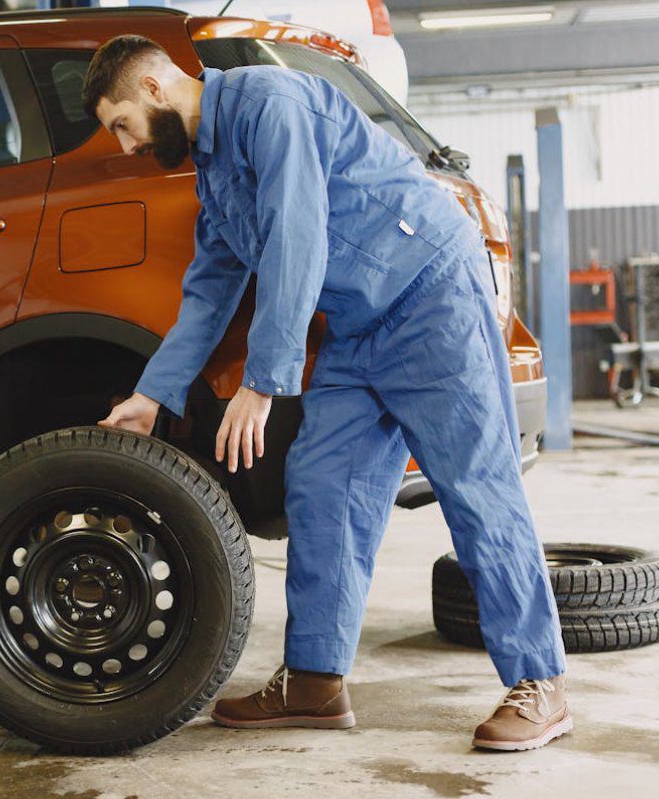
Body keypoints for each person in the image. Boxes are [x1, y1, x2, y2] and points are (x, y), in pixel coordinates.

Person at [84, 35, 571, 752]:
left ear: (155, 88)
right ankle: (315, 681)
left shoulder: (269, 105)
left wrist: (264, 381)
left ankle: (541, 683)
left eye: (121, 123)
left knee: (476, 486)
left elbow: (297, 236)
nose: (124, 145)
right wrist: (153, 393)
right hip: (357, 325)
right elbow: (213, 285)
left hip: (429, 296)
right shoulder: (213, 167)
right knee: (322, 483)